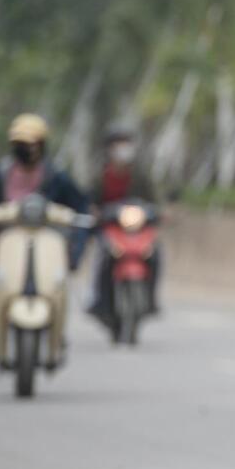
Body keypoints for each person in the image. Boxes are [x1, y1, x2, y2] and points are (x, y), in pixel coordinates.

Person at [0, 113, 92, 281]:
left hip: (46, 248)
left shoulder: (55, 176)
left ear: (41, 145)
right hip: (7, 246)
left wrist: (77, 245)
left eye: (29, 144)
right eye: (20, 144)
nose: (25, 149)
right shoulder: (0, 173)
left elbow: (81, 207)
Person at [87, 123, 161, 324]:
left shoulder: (140, 174)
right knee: (104, 257)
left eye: (126, 144)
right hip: (111, 227)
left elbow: (154, 200)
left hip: (138, 229)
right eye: (118, 144)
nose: (123, 149)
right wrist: (94, 211)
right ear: (109, 148)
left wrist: (162, 211)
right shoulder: (101, 174)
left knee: (155, 254)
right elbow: (91, 200)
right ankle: (100, 301)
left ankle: (152, 299)